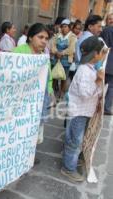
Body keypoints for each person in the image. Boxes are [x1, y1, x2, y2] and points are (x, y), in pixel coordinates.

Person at [62, 36, 106, 182]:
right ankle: (68, 168)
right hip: (78, 113)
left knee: (79, 139)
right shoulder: (84, 71)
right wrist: (99, 81)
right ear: (95, 54)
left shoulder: (90, 69)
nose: (102, 55)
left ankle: (74, 160)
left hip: (85, 111)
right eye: (101, 52)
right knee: (74, 141)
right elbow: (85, 94)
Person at [13, 23, 54, 164]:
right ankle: (17, 159)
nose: (44, 41)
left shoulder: (44, 57)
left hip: (39, 102)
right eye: (40, 37)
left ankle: (28, 156)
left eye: (46, 38)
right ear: (30, 37)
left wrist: (50, 93)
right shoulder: (18, 52)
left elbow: (48, 78)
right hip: (20, 102)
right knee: (20, 130)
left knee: (35, 132)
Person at [51, 19, 77, 100]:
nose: (63, 28)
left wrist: (61, 53)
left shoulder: (73, 37)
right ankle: (51, 93)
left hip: (66, 60)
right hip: (56, 58)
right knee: (54, 76)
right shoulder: (57, 35)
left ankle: (61, 93)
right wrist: (56, 52)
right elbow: (53, 46)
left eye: (65, 27)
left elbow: (71, 49)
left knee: (64, 77)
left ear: (69, 27)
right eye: (62, 26)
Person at [101, 26, 113, 115]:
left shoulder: (106, 29)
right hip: (110, 62)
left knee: (101, 84)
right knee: (111, 87)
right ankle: (106, 108)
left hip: (103, 59)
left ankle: (98, 106)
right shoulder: (108, 30)